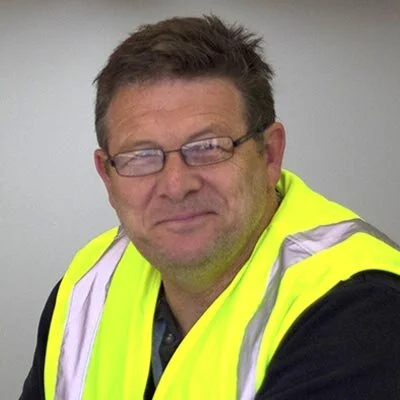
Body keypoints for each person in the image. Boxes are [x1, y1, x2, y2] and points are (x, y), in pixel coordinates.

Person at [21, 15, 400, 400]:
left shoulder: (361, 309)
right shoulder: (87, 289)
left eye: (207, 148)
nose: (176, 185)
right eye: (142, 155)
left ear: (269, 154)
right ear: (107, 175)